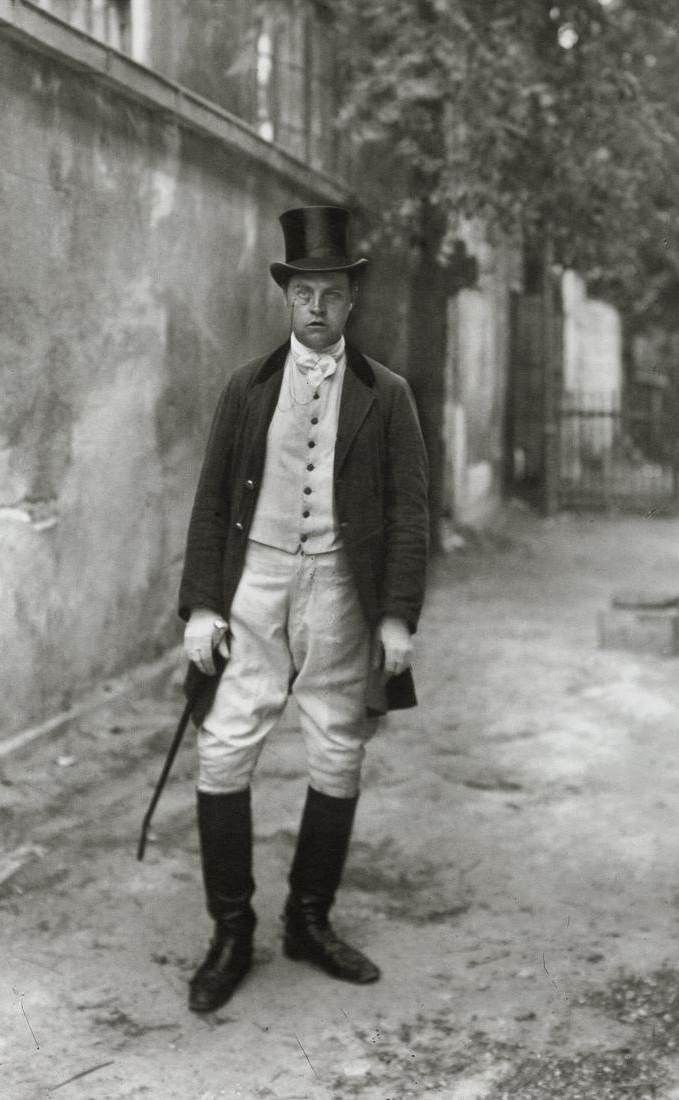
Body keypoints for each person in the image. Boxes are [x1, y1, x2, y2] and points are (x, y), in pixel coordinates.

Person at [177, 205, 429, 1014]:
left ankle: (308, 919)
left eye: (332, 291)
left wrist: (396, 617)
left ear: (352, 299)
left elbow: (409, 514)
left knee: (338, 749)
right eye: (303, 292)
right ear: (287, 299)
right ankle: (231, 931)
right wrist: (201, 605)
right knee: (223, 749)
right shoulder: (246, 389)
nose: (316, 306)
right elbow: (213, 503)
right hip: (254, 583)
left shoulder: (387, 396)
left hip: (340, 590)